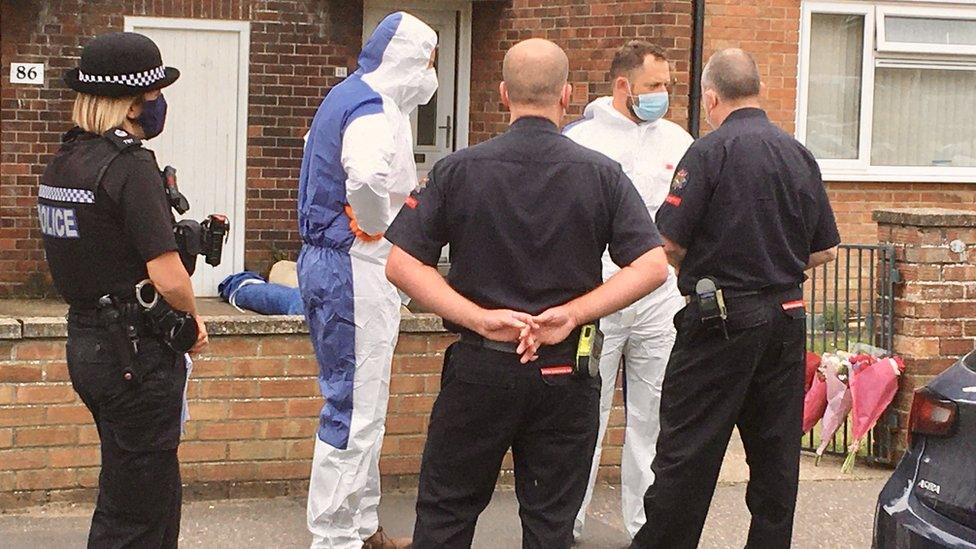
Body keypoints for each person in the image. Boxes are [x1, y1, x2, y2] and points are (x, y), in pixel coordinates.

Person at [384, 38, 671, 549]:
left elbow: (402, 265)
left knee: (446, 514)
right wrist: (573, 313)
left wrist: (477, 318)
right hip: (564, 371)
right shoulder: (601, 173)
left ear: (502, 94)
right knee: (550, 524)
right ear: (567, 94)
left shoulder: (458, 170)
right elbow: (651, 266)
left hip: (481, 368)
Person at [630, 49, 840, 549]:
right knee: (775, 457)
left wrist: (713, 271)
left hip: (718, 322)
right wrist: (775, 268)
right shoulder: (797, 153)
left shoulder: (708, 152)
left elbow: (670, 242)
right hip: (786, 318)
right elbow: (827, 249)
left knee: (688, 454)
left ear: (711, 96)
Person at [39, 32, 207, 548]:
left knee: (144, 492)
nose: (160, 105)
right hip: (136, 354)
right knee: (133, 512)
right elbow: (168, 273)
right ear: (133, 103)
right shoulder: (130, 165)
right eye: (155, 95)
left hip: (89, 346)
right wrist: (194, 321)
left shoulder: (66, 160)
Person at [297, 11, 438, 549]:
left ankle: (360, 526)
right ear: (409, 61)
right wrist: (378, 223)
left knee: (362, 404)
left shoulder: (350, 95)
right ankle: (335, 537)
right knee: (354, 408)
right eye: (427, 62)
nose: (431, 74)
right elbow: (369, 177)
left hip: (338, 259)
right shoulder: (373, 108)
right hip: (354, 263)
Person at [563, 40, 692, 541]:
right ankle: (568, 519)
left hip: (660, 296)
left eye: (668, 85)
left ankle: (645, 526)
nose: (663, 94)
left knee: (654, 415)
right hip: (598, 293)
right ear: (623, 87)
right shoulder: (583, 140)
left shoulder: (678, 142)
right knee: (585, 413)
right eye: (653, 86)